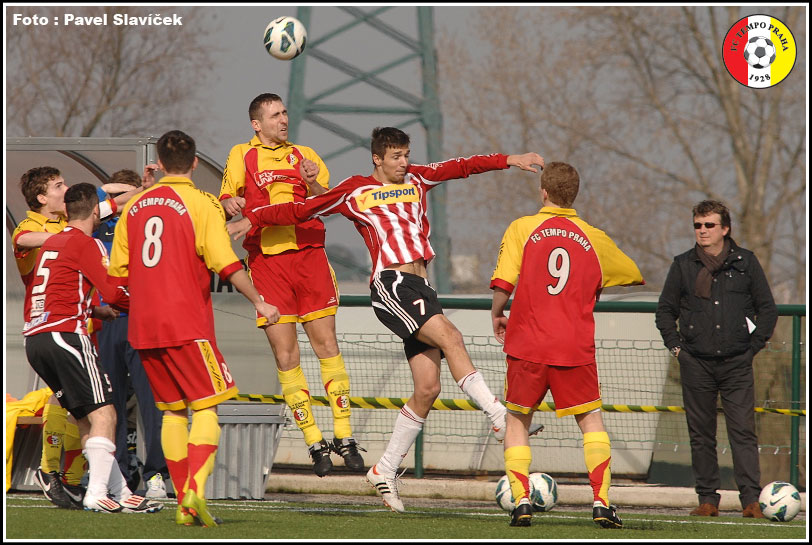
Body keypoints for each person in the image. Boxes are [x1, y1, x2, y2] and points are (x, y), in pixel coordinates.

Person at [229, 126, 545, 513]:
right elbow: (301, 209)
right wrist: (253, 218)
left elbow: (462, 166)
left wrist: (509, 160)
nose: (403, 162)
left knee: (427, 388)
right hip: (392, 285)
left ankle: (385, 468)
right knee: (452, 337)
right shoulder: (356, 190)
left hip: (422, 288)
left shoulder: (417, 179)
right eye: (396, 156)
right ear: (377, 159)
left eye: (406, 155)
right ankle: (498, 416)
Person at [108, 130, 280, 527]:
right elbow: (226, 262)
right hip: (186, 323)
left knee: (172, 411)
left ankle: (185, 499)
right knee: (205, 406)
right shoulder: (202, 202)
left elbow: (117, 274)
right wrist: (260, 301)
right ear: (196, 163)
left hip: (144, 327)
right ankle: (194, 493)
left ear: (160, 164)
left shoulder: (134, 207)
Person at [489, 162, 644, 528]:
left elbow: (504, 280)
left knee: (517, 420)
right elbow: (632, 273)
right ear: (574, 194)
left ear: (543, 192)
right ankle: (601, 502)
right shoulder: (594, 237)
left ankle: (521, 501)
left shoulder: (522, 227)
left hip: (527, 343)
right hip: (573, 345)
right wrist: (593, 280)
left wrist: (497, 312)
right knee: (591, 422)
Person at [220, 93, 364, 476]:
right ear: (257, 124)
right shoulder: (242, 154)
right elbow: (228, 195)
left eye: (284, 113)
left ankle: (344, 434)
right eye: (274, 115)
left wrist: (313, 184)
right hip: (268, 264)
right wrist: (231, 202)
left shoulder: (305, 154)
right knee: (287, 356)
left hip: (309, 258)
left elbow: (327, 202)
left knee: (327, 346)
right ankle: (314, 441)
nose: (283, 120)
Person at [11, 166, 149, 509]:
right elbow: (22, 240)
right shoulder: (43, 230)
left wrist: (141, 188)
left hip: (44, 333)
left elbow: (105, 204)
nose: (65, 188)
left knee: (85, 416)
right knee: (103, 412)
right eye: (59, 185)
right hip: (64, 332)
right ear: (42, 198)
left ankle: (116, 491)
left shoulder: (65, 231)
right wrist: (150, 303)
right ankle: (84, 487)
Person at [655, 200, 777, 519]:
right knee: (701, 434)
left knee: (742, 432)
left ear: (725, 229)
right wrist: (678, 350)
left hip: (737, 362)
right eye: (698, 225)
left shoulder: (746, 263)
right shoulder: (683, 265)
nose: (702, 230)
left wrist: (752, 347)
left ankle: (751, 500)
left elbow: (767, 309)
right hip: (696, 363)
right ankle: (708, 499)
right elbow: (665, 311)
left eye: (709, 225)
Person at [94, 169, 170, 498]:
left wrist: (144, 192)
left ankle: (156, 474)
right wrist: (134, 188)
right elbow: (97, 194)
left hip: (143, 319)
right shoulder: (99, 222)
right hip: (108, 320)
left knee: (152, 402)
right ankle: (121, 475)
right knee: (110, 403)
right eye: (120, 199)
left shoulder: (147, 219)